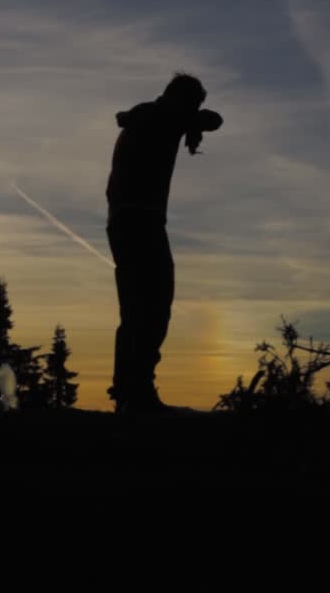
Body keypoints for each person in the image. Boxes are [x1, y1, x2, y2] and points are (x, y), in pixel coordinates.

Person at [105, 73, 223, 414]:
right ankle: (134, 391)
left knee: (140, 307)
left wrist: (189, 122)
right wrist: (188, 120)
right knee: (152, 304)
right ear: (180, 98)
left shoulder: (164, 118)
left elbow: (213, 120)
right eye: (193, 102)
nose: (196, 110)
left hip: (134, 221)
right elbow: (130, 117)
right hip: (137, 220)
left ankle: (131, 390)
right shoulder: (153, 116)